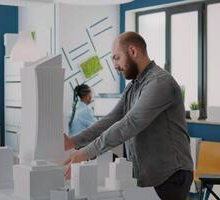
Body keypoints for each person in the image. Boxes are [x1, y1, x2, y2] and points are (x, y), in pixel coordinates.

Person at [63, 31, 193, 200]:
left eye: (116, 58)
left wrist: (83, 154)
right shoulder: (133, 87)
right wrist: (73, 141)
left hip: (170, 176)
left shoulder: (160, 82)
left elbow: (130, 123)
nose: (115, 65)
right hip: (147, 176)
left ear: (132, 51)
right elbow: (111, 119)